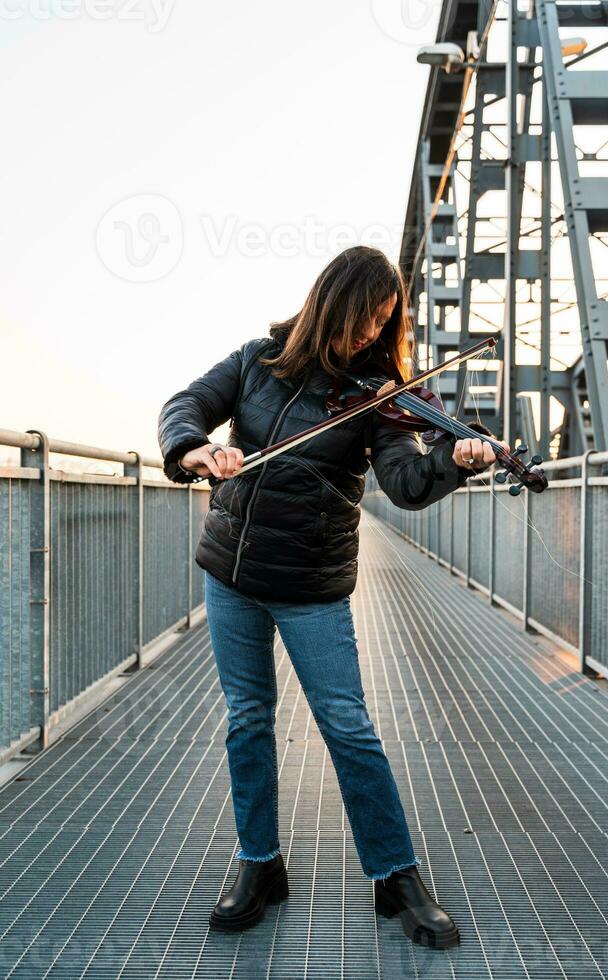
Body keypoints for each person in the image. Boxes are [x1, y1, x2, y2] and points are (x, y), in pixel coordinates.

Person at [157, 245, 509, 950]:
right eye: (361, 321)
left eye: (383, 325)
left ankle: (396, 876)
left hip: (312, 585)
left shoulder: (381, 394)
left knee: (347, 726)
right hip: (231, 574)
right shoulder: (259, 360)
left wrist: (453, 459)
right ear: (330, 306)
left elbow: (407, 484)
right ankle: (260, 864)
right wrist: (194, 449)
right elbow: (186, 404)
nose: (371, 337)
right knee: (248, 718)